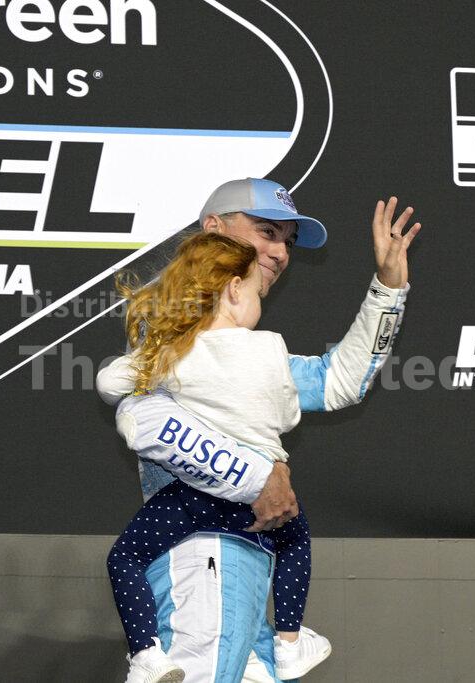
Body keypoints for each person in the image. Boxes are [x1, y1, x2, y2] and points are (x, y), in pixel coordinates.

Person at [97, 178, 420, 681]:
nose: (280, 252)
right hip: (202, 552)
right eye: (266, 232)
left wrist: (388, 289)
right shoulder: (169, 334)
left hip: (241, 557)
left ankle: (286, 644)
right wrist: (258, 475)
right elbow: (148, 420)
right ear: (213, 230)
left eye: (287, 240)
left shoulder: (254, 351)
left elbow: (338, 381)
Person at [107, 231, 330, 681]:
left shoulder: (175, 354)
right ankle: (289, 642)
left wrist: (149, 360)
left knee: (124, 558)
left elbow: (111, 384)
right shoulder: (271, 348)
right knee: (295, 540)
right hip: (263, 508)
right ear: (233, 289)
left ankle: (146, 653)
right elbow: (288, 414)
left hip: (195, 500)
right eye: (256, 291)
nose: (260, 300)